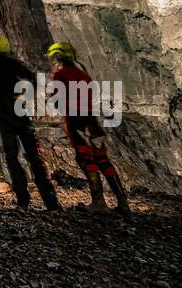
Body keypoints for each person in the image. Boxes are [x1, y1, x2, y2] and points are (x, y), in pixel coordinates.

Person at [0, 35, 60, 211]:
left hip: (5, 115)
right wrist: (24, 94)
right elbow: (33, 79)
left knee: (12, 158)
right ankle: (50, 200)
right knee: (34, 156)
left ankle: (23, 199)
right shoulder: (12, 63)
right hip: (20, 113)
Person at [47, 41, 130, 217]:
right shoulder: (83, 75)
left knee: (85, 158)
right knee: (102, 159)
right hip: (92, 121)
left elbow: (57, 101)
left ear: (58, 57)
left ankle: (99, 202)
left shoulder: (61, 75)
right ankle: (123, 202)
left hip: (77, 121)